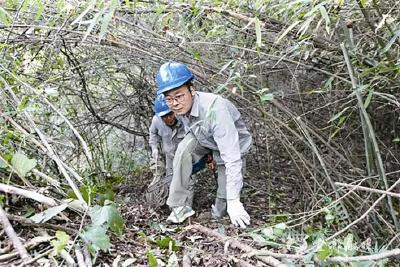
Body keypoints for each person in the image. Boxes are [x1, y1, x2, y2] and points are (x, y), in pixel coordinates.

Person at [156, 62, 253, 228]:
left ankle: (218, 216)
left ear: (192, 90)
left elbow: (231, 156)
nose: (175, 103)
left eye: (179, 96)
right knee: (183, 150)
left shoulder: (215, 110)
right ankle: (179, 206)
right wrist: (205, 156)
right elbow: (192, 131)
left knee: (225, 196)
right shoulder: (179, 109)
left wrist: (234, 201)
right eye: (169, 99)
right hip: (204, 139)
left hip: (232, 147)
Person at [147, 93, 209, 206]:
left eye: (170, 114)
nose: (168, 118)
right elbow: (152, 134)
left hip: (186, 157)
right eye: (164, 116)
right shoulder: (156, 121)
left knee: (187, 182)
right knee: (171, 181)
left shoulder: (184, 119)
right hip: (170, 157)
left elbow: (197, 136)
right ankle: (174, 206)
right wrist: (154, 148)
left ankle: (186, 207)